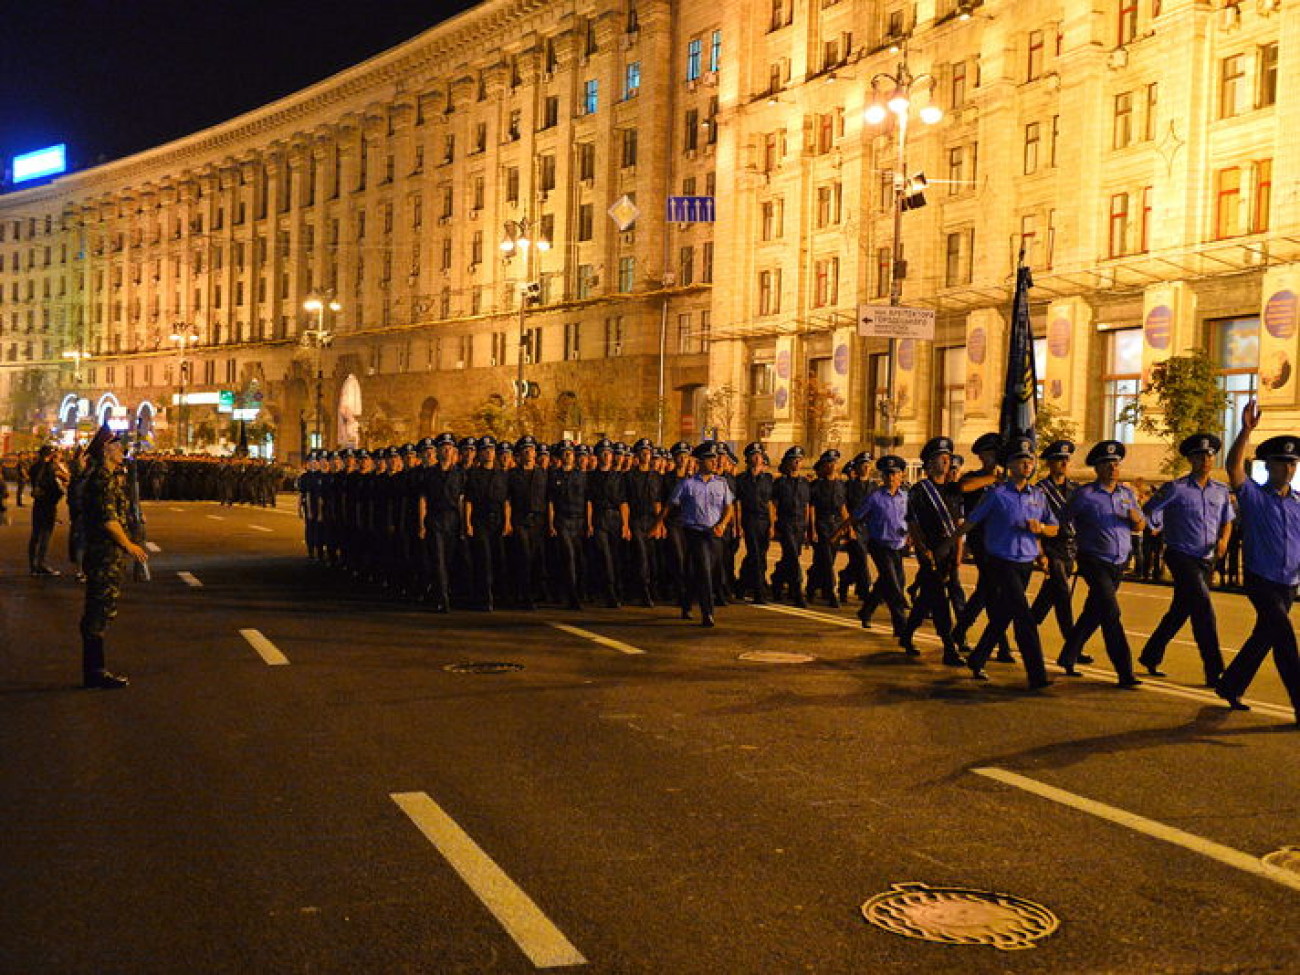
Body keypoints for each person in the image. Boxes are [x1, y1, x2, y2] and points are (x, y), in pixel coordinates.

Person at [1217, 402, 1300, 725]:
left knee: (1264, 636)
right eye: (1283, 463)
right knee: (1284, 638)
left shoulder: (1297, 505)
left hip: (1289, 583)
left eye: (1293, 463)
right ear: (1269, 466)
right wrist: (1246, 430)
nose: (1289, 469)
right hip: (1261, 579)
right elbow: (1233, 468)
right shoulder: (1254, 496)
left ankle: (1230, 684)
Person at [959, 436, 1057, 689]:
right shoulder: (997, 494)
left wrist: (1042, 532)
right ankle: (1037, 674)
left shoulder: (1038, 495)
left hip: (1025, 562)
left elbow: (1054, 527)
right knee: (1024, 616)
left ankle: (978, 657)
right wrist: (951, 544)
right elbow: (972, 521)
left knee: (1003, 615)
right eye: (1020, 460)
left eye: (1030, 460)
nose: (1027, 464)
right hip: (1000, 561)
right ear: (1010, 465)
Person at [1138, 434, 1234, 683]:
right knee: (1203, 608)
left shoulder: (1220, 491)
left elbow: (1227, 520)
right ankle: (1215, 671)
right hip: (1180, 554)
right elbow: (1149, 511)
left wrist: (1224, 540)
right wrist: (1156, 525)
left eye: (1209, 456)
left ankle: (1151, 654)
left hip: (1206, 558)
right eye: (1200, 456)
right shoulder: (1176, 488)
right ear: (1190, 459)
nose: (1205, 460)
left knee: (1180, 610)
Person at [1057, 440, 1145, 688]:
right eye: (1107, 464)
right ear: (1097, 468)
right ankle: (1125, 672)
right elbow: (1061, 520)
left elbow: (1141, 526)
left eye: (1116, 464)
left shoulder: (1127, 494)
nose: (1113, 468)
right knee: (1111, 613)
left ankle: (1068, 655)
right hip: (1094, 560)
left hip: (1118, 563)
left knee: (1093, 612)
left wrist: (1136, 519)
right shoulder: (1085, 495)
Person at [79, 426, 150, 689]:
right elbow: (109, 521)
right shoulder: (102, 479)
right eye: (118, 447)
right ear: (106, 451)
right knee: (99, 612)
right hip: (104, 555)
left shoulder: (108, 477)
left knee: (101, 611)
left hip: (105, 554)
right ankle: (95, 673)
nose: (122, 451)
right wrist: (129, 545)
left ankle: (95, 671)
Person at [900, 437, 966, 665]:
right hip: (931, 553)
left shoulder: (953, 490)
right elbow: (913, 523)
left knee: (926, 599)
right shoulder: (919, 491)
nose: (947, 461)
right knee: (939, 600)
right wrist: (922, 549)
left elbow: (958, 524)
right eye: (941, 457)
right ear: (929, 464)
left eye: (948, 457)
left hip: (949, 553)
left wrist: (958, 553)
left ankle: (907, 635)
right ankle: (949, 648)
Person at [656, 441, 735, 627]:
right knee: (705, 570)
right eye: (710, 459)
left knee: (699, 572)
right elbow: (669, 505)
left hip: (714, 533)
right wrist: (658, 524)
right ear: (700, 462)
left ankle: (686, 602)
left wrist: (723, 524)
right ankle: (708, 613)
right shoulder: (687, 484)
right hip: (694, 533)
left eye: (716, 459)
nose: (715, 463)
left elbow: (729, 508)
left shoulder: (722, 484)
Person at [834, 454, 909, 639]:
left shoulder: (906, 497)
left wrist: (913, 537)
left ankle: (866, 611)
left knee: (886, 582)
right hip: (879, 545)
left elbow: (912, 520)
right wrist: (839, 533)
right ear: (882, 477)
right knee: (894, 586)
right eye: (887, 474)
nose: (891, 478)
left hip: (898, 546)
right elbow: (855, 516)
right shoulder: (875, 497)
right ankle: (901, 628)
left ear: (901, 476)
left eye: (895, 474)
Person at [1031, 440, 1083, 648]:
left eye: (1066, 459)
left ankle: (1027, 625)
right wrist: (1040, 553)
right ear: (1050, 463)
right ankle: (1072, 645)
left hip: (1070, 548)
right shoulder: (1040, 490)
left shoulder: (1076, 489)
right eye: (1059, 460)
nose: (1064, 463)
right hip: (1051, 546)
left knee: (1049, 596)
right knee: (1062, 594)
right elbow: (1034, 521)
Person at [807, 449, 849, 607]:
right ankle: (831, 592)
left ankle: (811, 586)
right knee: (825, 558)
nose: (832, 466)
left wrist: (847, 526)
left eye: (835, 463)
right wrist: (812, 529)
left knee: (825, 561)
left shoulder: (840, 485)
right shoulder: (816, 485)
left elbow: (843, 507)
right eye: (829, 463)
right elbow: (811, 508)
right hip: (822, 524)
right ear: (823, 466)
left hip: (836, 526)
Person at [734, 442, 775, 603]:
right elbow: (737, 504)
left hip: (764, 520)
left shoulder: (768, 479)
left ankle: (742, 584)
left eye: (760, 455)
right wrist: (738, 525)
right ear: (748, 459)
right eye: (754, 455)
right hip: (749, 519)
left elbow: (770, 503)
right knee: (756, 555)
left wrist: (772, 525)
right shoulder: (742, 479)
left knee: (759, 555)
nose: (758, 458)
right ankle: (759, 592)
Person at [771, 446, 811, 606]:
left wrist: (808, 527)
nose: (797, 462)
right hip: (785, 522)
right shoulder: (780, 482)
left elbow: (807, 505)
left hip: (800, 524)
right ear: (787, 463)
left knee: (790, 557)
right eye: (794, 460)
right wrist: (773, 524)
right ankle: (797, 592)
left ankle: (777, 579)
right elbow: (774, 504)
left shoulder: (805, 483)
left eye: (799, 460)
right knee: (793, 557)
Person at [27, 444, 67, 576]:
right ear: (50, 455)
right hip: (48, 505)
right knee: (45, 535)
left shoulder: (34, 467)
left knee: (35, 535)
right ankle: (41, 563)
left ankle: (33, 565)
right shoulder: (51, 468)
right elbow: (56, 487)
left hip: (38, 504)